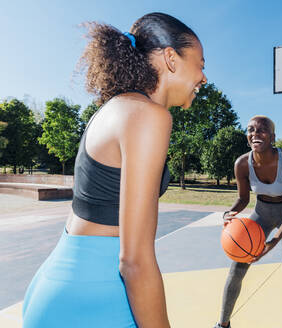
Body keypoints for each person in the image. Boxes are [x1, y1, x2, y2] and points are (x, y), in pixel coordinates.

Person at [22, 12, 207, 328]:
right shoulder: (148, 116)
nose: (203, 77)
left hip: (65, 282)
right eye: (200, 65)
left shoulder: (115, 109)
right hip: (91, 295)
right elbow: (134, 262)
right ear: (171, 58)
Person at [214, 115, 282, 328]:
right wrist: (228, 213)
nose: (255, 134)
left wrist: (273, 242)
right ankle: (222, 324)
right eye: (251, 130)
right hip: (261, 213)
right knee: (236, 270)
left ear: (272, 137)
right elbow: (243, 199)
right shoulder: (242, 163)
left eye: (262, 130)